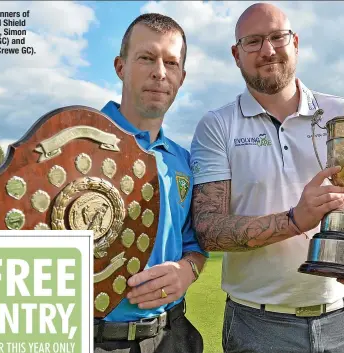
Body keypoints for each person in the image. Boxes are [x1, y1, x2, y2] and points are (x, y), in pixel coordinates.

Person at [190, 3, 344, 353]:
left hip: (343, 322)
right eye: (252, 41)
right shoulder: (218, 125)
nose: (267, 50)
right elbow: (208, 227)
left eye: (277, 37)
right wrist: (295, 220)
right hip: (258, 327)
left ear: (295, 42)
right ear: (236, 54)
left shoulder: (341, 112)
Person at [95, 13, 208, 353]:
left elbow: (196, 243)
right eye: (146, 58)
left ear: (181, 77)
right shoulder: (77, 144)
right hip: (93, 339)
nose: (160, 72)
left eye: (171, 62)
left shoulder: (184, 161)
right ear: (120, 66)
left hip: (172, 335)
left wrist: (187, 271)